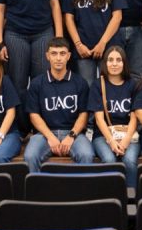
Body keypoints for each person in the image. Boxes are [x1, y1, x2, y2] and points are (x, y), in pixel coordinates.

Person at [22, 38, 93, 172]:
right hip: (44, 134)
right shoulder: (37, 83)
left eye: (62, 53)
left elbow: (83, 115)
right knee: (30, 156)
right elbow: (34, 116)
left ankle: (81, 186)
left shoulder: (80, 82)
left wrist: (71, 136)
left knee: (86, 154)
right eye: (54, 53)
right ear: (47, 56)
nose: (58, 58)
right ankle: (36, 186)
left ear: (68, 56)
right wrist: (50, 137)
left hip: (73, 133)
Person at [88, 46, 141, 187]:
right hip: (103, 135)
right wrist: (111, 141)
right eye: (110, 60)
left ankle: (131, 196)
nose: (114, 64)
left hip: (128, 135)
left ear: (124, 63)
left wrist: (125, 141)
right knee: (109, 159)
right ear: (105, 63)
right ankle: (109, 196)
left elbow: (134, 117)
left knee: (129, 160)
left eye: (118, 60)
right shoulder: (97, 84)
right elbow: (99, 119)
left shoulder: (133, 84)